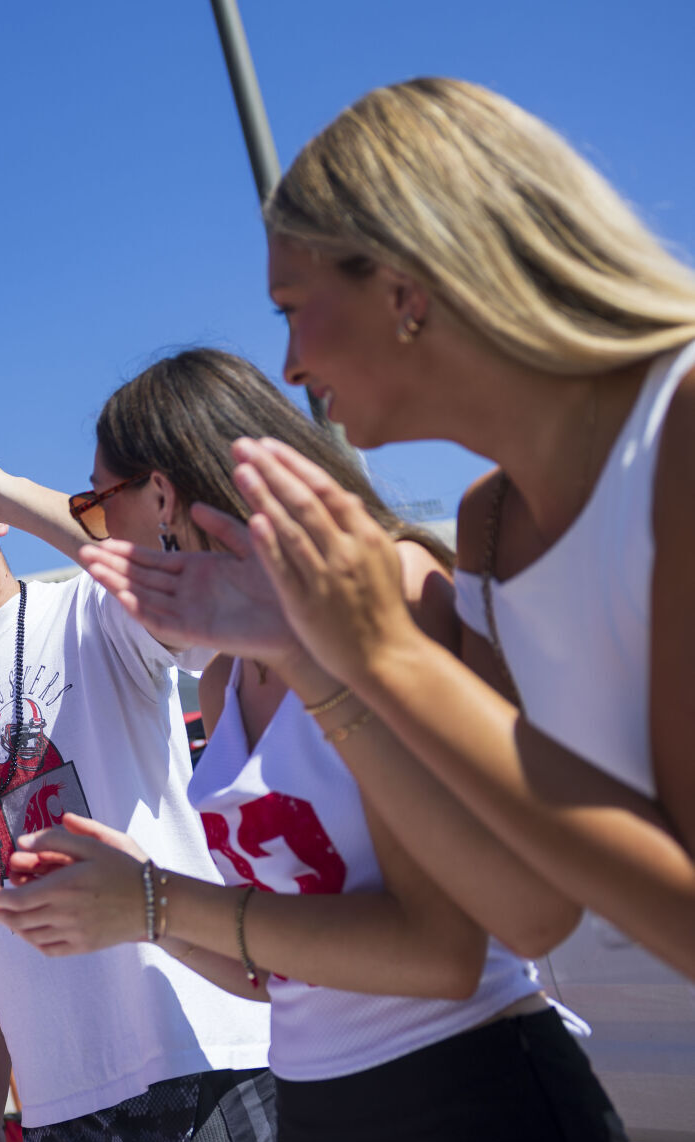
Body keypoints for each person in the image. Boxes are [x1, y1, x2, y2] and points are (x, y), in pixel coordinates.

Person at [0, 350, 632, 1142]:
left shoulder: (389, 583)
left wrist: (154, 900)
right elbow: (280, 971)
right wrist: (127, 899)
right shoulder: (223, 678)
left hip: (468, 1095)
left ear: (160, 493)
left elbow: (440, 949)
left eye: (98, 503)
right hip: (321, 1112)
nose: (100, 530)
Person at [211, 76, 695, 985]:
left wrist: (388, 654)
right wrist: (339, 663)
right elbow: (525, 910)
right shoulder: (488, 521)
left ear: (405, 289)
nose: (289, 364)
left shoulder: (681, 429)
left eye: (290, 307)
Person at [0, 425, 273, 1142]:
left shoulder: (92, 609)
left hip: (199, 1051)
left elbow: (168, 570)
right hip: (57, 1106)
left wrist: (1, 491)